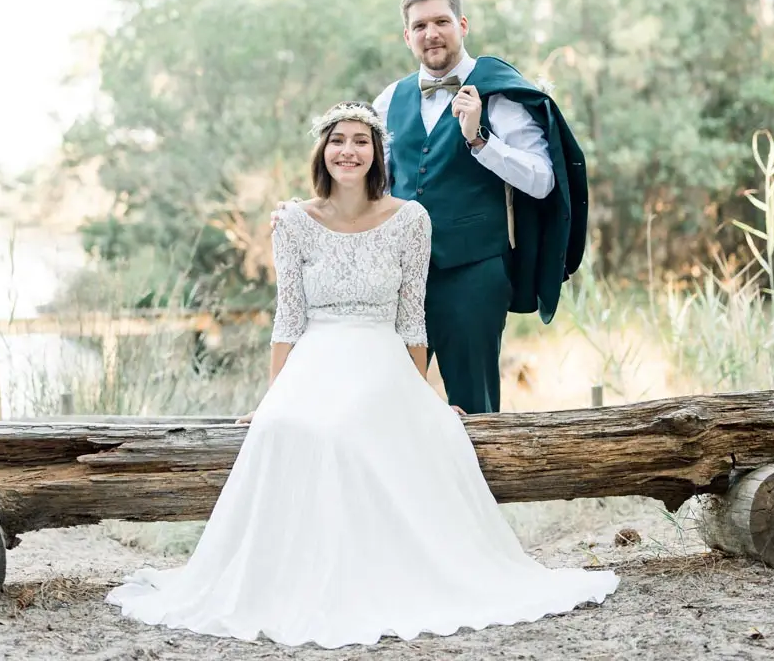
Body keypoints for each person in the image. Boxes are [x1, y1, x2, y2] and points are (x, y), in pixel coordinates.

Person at [107, 102, 617, 649]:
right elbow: (289, 316)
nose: (348, 151)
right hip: (315, 359)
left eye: (360, 141)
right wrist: (272, 397)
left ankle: (374, 571)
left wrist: (421, 397)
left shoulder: (410, 220)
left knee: (347, 427)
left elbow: (412, 318)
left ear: (377, 154)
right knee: (285, 429)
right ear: (322, 151)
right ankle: (300, 576)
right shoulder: (294, 221)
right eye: (337, 140)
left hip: (380, 358)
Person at [373, 0, 587, 415]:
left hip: (474, 272)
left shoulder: (501, 92)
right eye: (420, 25)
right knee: (385, 400)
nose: (431, 33)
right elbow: (374, 187)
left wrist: (480, 140)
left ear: (462, 25)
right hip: (399, 278)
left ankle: (481, 484)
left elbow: (544, 180)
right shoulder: (388, 100)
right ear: (407, 36)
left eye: (441, 22)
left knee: (475, 407)